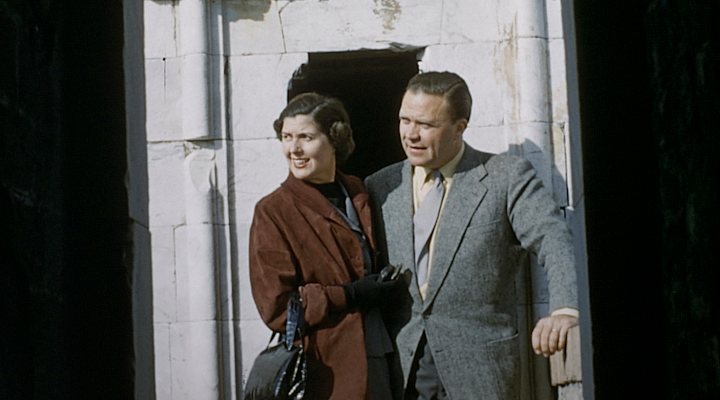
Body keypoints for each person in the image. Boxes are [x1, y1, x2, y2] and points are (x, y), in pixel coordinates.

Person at [365, 71, 579, 400]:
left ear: (460, 127)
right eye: (405, 120)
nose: (411, 134)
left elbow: (552, 237)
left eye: (426, 124)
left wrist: (565, 310)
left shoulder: (505, 177)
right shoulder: (379, 186)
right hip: (403, 371)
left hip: (481, 369)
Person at [248, 92, 398, 399]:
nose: (294, 149)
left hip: (378, 356)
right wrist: (349, 294)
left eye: (305, 137)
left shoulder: (358, 191)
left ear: (335, 138)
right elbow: (277, 307)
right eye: (287, 137)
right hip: (323, 370)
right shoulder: (273, 211)